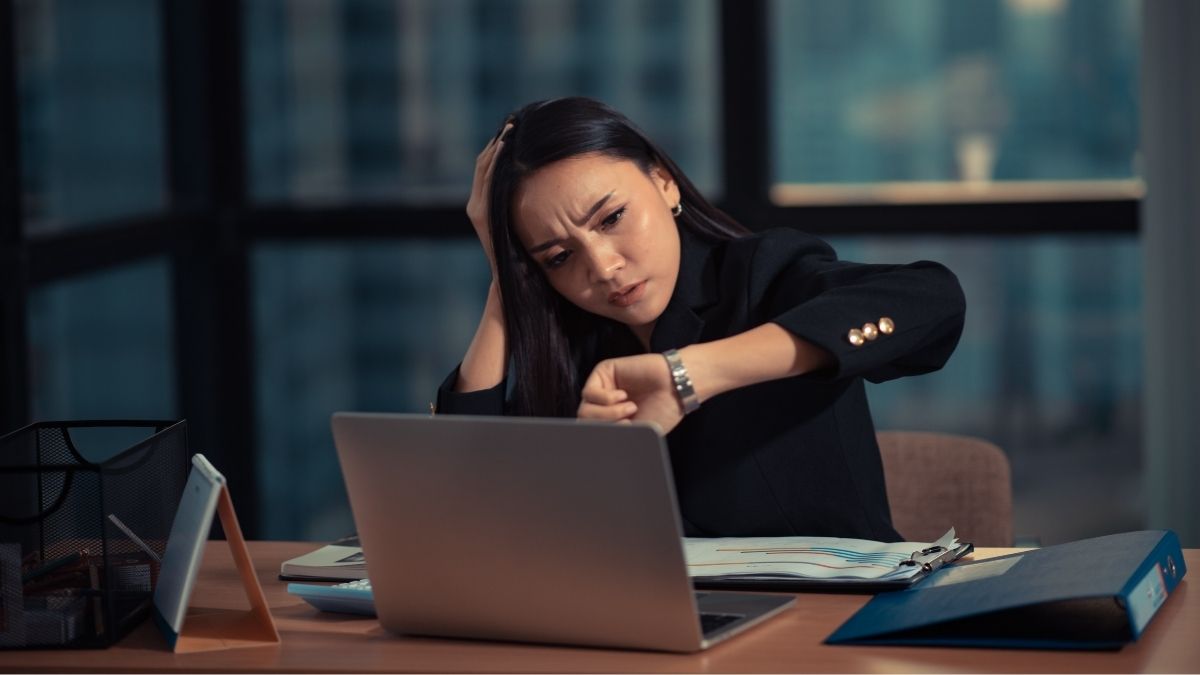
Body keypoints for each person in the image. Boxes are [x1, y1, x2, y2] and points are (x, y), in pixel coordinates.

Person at [436, 97, 965, 541]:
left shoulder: (761, 273)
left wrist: (691, 375)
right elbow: (465, 505)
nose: (603, 267)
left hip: (825, 620)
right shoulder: (568, 337)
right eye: (557, 256)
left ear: (664, 183)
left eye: (612, 218)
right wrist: (506, 279)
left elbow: (930, 298)